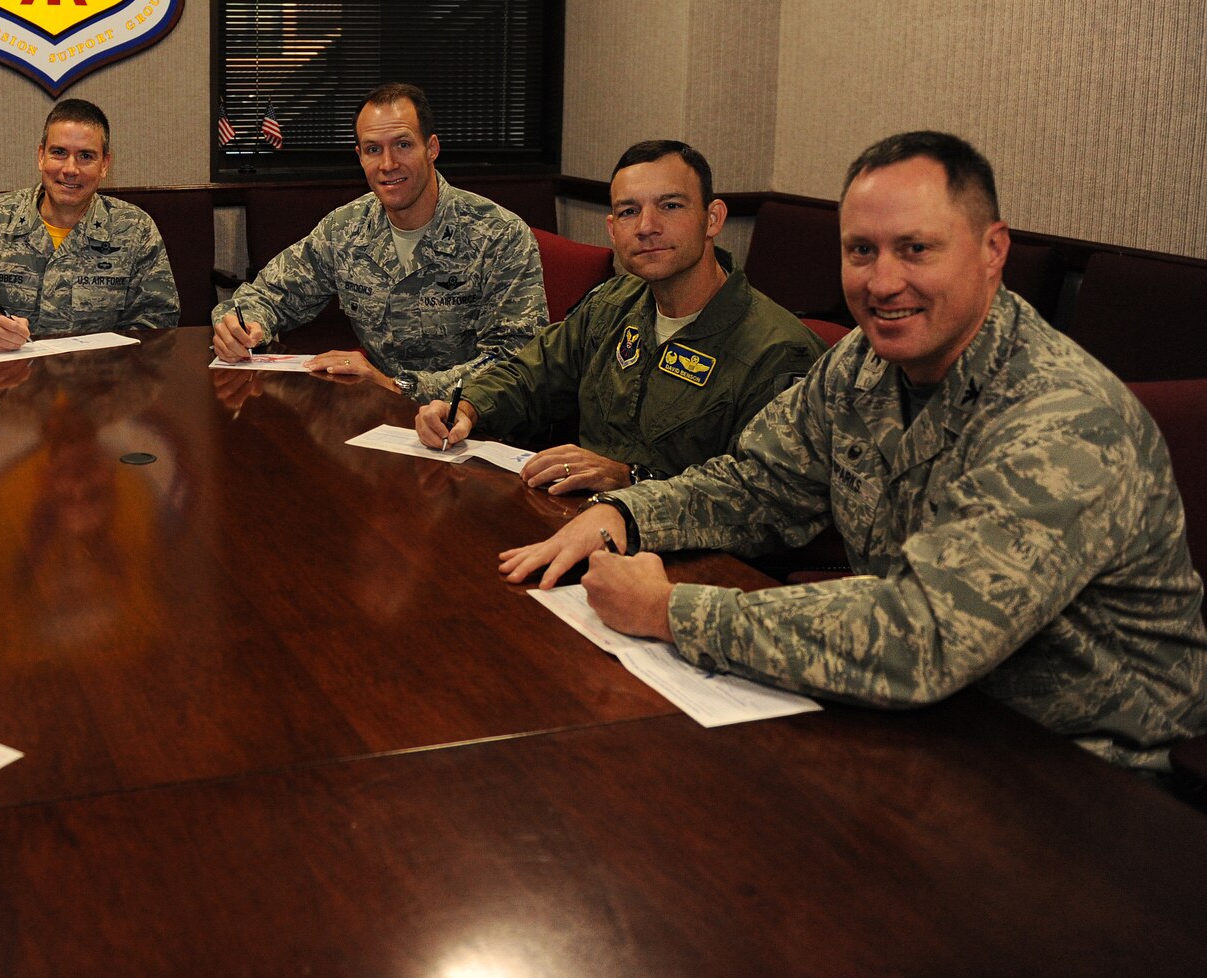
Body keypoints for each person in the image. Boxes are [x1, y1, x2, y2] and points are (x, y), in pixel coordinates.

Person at [509, 131, 1207, 771]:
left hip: (1086, 770)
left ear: (993, 251)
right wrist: (627, 515)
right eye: (861, 251)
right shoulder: (862, 364)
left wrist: (668, 611)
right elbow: (759, 483)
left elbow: (924, 636)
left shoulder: (1062, 418)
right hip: (919, 723)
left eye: (917, 249)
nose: (882, 281)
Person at [413, 140, 823, 492]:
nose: (646, 226)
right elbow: (530, 376)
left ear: (712, 218)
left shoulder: (777, 352)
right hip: (578, 517)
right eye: (629, 212)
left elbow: (760, 496)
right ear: (612, 230)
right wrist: (466, 408)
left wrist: (632, 478)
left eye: (671, 205)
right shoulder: (613, 305)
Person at [212, 82, 548, 403]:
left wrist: (398, 387)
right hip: (377, 419)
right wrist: (242, 328)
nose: (388, 164)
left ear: (431, 148)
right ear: (360, 156)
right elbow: (266, 296)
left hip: (471, 421)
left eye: (403, 145)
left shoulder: (500, 236)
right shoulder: (344, 229)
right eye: (374, 150)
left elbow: (515, 365)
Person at [0, 98, 179, 352]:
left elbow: (159, 325)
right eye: (59, 152)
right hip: (4, 390)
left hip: (98, 392)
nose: (70, 169)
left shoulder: (135, 229)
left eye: (86, 156)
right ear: (40, 156)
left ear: (105, 164)